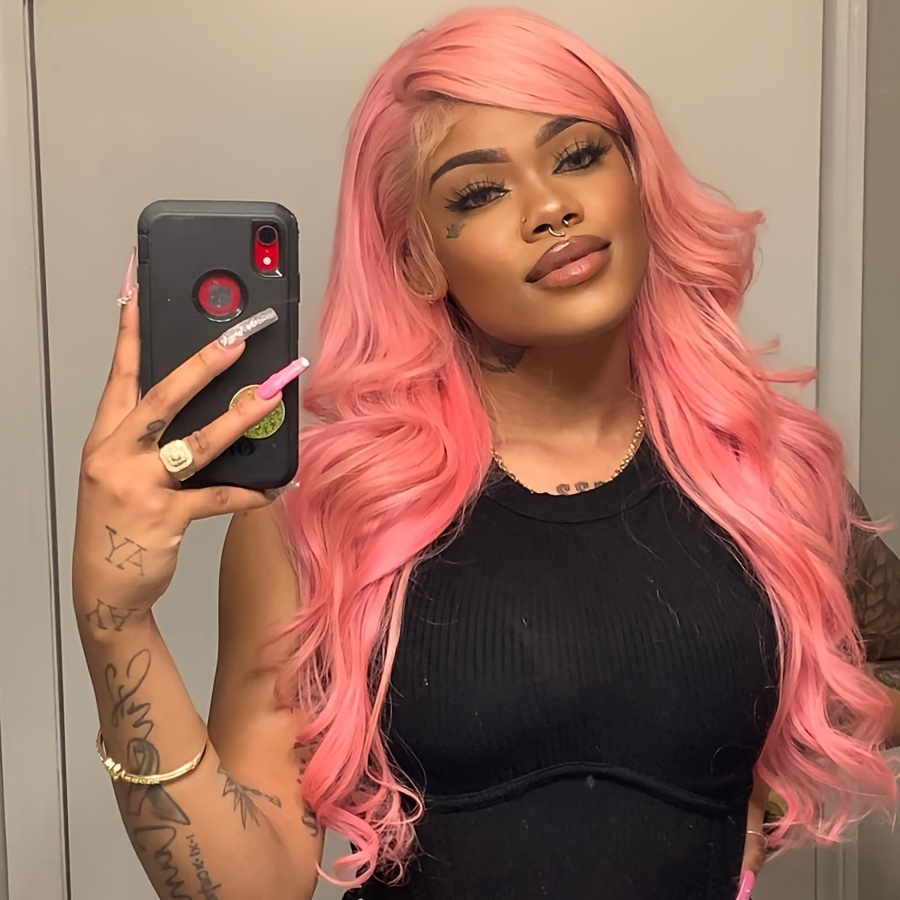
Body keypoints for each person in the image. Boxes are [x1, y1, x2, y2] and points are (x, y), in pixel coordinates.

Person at [73, 8, 900, 900]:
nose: (551, 208)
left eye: (578, 155)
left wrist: (780, 756)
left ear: (637, 179)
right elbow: (250, 888)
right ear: (420, 260)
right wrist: (115, 622)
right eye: (478, 194)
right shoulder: (325, 513)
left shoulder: (763, 476)